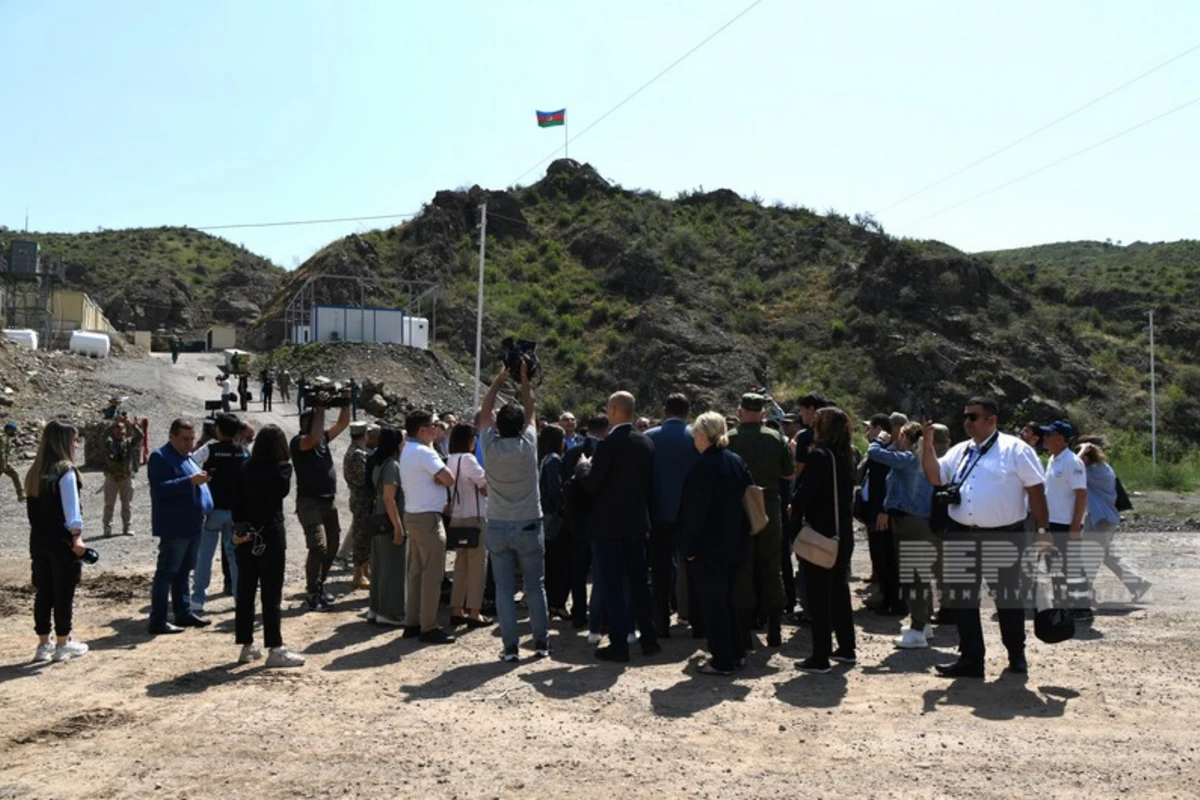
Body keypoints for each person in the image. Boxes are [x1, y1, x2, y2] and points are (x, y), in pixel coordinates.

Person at [921, 396, 1049, 679]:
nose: (967, 422)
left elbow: (1037, 491)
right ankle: (971, 659)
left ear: (992, 420)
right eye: (965, 416)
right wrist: (927, 443)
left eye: (973, 417)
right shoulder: (960, 451)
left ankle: (1016, 655)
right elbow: (934, 476)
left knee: (1007, 599)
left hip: (1002, 536)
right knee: (964, 599)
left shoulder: (1015, 450)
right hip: (961, 534)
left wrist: (1043, 530)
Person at [581, 390, 659, 663]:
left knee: (613, 583)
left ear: (613, 409)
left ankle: (619, 644)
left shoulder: (608, 445)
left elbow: (593, 484)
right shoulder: (646, 443)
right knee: (638, 582)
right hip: (637, 521)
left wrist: (583, 469)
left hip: (609, 525)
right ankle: (649, 639)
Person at [479, 364, 548, 661]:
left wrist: (499, 377)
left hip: (497, 523)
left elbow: (484, 411)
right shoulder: (528, 445)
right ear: (522, 426)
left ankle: (510, 648)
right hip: (529, 522)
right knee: (535, 586)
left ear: (498, 426)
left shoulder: (489, 445)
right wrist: (523, 377)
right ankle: (542, 644)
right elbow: (531, 408)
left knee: (504, 591)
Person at [679, 412, 754, 675]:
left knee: (714, 605)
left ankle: (722, 660)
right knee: (727, 600)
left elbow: (694, 514)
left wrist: (688, 549)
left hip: (709, 548)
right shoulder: (736, 461)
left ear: (702, 435)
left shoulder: (702, 467)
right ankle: (737, 651)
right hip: (736, 543)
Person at [230, 425, 305, 667]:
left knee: (245, 590)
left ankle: (246, 644)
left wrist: (241, 529)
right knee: (271, 593)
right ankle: (275, 647)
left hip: (246, 535)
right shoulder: (282, 469)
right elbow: (278, 496)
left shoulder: (243, 468)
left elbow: (237, 502)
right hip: (270, 534)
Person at [791, 407, 858, 673]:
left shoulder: (819, 457)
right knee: (839, 591)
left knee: (818, 596)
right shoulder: (846, 455)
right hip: (843, 534)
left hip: (820, 534)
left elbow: (803, 494)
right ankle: (846, 648)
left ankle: (820, 656)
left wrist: (793, 521)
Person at [727, 392, 794, 649]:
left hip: (740, 509)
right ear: (763, 413)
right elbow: (788, 474)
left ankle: (745, 633)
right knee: (770, 568)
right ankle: (774, 629)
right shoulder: (775, 438)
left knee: (743, 569)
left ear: (741, 410)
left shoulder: (730, 439)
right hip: (769, 509)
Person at [867, 421, 936, 649]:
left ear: (909, 440)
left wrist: (879, 439)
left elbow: (875, 453)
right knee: (919, 574)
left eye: (902, 437)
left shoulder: (908, 459)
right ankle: (924, 624)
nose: (898, 440)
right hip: (915, 520)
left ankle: (917, 631)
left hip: (909, 521)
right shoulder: (921, 459)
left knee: (914, 576)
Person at [26, 421, 89, 663]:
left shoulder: (35, 471)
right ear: (64, 442)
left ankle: (44, 644)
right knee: (64, 591)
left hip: (38, 539)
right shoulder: (66, 470)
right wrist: (77, 536)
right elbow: (72, 509)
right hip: (61, 541)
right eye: (74, 440)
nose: (76, 445)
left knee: (44, 591)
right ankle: (63, 642)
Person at [147, 419, 213, 634]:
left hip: (193, 523)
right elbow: (159, 489)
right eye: (184, 439)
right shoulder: (160, 457)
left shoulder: (187, 458)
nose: (188, 443)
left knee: (184, 571)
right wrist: (190, 482)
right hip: (175, 525)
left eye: (191, 439)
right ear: (172, 436)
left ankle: (183, 612)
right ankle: (158, 620)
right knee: (166, 572)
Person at [291, 387, 352, 611]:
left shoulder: (323, 439)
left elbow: (342, 424)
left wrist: (346, 402)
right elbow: (314, 437)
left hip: (328, 501)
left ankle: (320, 585)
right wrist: (319, 410)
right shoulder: (299, 442)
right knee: (318, 547)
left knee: (333, 545)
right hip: (309, 502)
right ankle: (311, 592)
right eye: (315, 420)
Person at [645, 393, 700, 638]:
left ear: (664, 410)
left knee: (660, 570)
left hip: (657, 514)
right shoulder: (696, 438)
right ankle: (698, 622)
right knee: (695, 567)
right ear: (687, 412)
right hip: (689, 513)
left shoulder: (649, 438)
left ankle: (661, 622)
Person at [399, 410, 456, 644]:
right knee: (432, 576)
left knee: (416, 573)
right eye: (433, 425)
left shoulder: (408, 450)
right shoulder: (424, 451)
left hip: (413, 514)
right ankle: (428, 627)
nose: (437, 428)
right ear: (422, 430)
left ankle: (412, 623)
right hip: (428, 518)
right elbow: (449, 478)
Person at [1078, 442, 1151, 601]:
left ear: (1087, 457)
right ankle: (1138, 584)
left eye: (1081, 454)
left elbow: (1071, 468)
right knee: (1106, 555)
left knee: (1089, 556)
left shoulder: (1090, 472)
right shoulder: (1105, 468)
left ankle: (1086, 593)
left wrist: (1082, 451)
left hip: (1099, 519)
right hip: (1108, 518)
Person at [189, 413, 247, 614]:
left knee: (204, 555)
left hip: (213, 510)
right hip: (236, 512)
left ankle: (198, 599)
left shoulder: (209, 450)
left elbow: (189, 464)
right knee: (234, 556)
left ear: (218, 430)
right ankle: (241, 597)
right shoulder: (243, 452)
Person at [1039, 420, 1093, 622]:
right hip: (1053, 522)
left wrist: (1075, 526)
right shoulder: (1054, 459)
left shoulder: (1071, 462)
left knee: (1072, 566)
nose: (1044, 438)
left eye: (1048, 435)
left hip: (1066, 523)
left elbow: (1081, 494)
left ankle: (1082, 608)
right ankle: (1064, 603)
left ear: (1060, 439)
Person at [564, 413, 607, 636]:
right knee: (600, 571)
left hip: (578, 518)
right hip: (601, 518)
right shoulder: (607, 451)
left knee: (578, 570)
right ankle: (600, 615)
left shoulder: (572, 452)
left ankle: (579, 613)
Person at [447, 423, 491, 629]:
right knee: (477, 567)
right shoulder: (469, 459)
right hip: (475, 517)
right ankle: (475, 611)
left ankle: (457, 608)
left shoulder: (450, 459)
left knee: (460, 564)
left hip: (457, 516)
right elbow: (485, 487)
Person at [367, 427, 407, 626]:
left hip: (379, 520)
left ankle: (375, 608)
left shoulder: (379, 463)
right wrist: (399, 528)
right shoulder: (392, 466)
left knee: (380, 566)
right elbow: (389, 498)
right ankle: (389, 612)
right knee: (392, 568)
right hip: (389, 522)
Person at [539, 424, 569, 621]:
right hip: (555, 518)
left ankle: (551, 603)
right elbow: (555, 491)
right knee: (560, 563)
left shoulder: (543, 460)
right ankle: (557, 603)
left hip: (545, 516)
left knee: (550, 563)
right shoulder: (555, 461)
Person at [342, 421, 373, 590]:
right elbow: (363, 479)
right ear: (365, 435)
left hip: (361, 499)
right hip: (361, 499)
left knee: (365, 535)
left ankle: (365, 570)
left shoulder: (356, 451)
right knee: (361, 536)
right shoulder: (357, 454)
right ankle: (357, 574)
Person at [102, 417, 142, 537]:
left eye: (122, 428)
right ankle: (107, 528)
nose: (119, 431)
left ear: (125, 431)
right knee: (109, 504)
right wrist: (113, 423)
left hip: (126, 476)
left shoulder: (129, 443)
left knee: (127, 504)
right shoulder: (109, 443)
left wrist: (132, 425)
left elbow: (140, 436)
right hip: (111, 477)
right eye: (116, 428)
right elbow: (103, 435)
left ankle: (127, 527)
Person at [2, 422, 25, 502]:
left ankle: (21, 495)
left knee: (15, 476)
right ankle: (21, 495)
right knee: (15, 475)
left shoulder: (5, 437)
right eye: (13, 431)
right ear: (9, 430)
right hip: (2, 463)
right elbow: (2, 452)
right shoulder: (3, 438)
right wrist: (3, 464)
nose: (14, 432)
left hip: (3, 462)